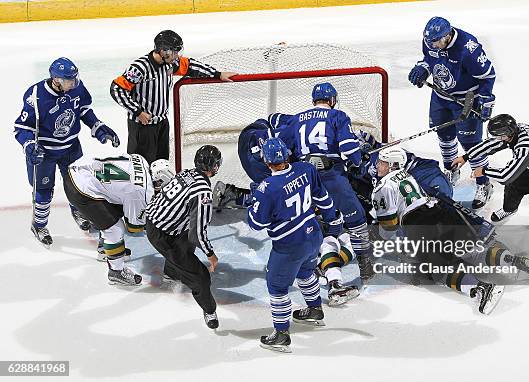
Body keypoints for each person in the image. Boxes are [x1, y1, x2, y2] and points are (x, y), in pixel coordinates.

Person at [372, 147, 529, 314]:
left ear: (393, 165)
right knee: (472, 251)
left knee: (438, 270)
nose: (377, 165)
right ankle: (513, 260)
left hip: (419, 224)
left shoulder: (382, 187)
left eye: (382, 162)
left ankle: (481, 289)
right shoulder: (409, 176)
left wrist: (384, 239)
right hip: (441, 211)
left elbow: (389, 227)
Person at [248, 137, 342, 353]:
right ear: (287, 155)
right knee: (306, 272)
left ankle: (281, 334)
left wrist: (254, 201)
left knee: (277, 286)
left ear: (266, 161)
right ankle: (315, 310)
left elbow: (256, 224)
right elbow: (323, 197)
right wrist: (332, 219)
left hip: (289, 245)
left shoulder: (267, 188)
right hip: (313, 235)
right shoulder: (306, 169)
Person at [14, 57, 120, 246]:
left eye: (74, 78)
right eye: (69, 80)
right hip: (44, 152)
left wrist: (99, 127)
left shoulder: (77, 87)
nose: (74, 82)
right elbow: (21, 127)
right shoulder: (36, 95)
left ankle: (78, 211)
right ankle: (39, 225)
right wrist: (29, 145)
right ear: (56, 80)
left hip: (71, 147)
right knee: (44, 191)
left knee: (78, 186)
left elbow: (84, 110)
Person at [281, 82, 375, 282]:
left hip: (303, 179)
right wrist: (358, 160)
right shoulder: (337, 116)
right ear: (332, 100)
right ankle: (365, 265)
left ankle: (307, 265)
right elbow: (349, 148)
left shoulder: (297, 119)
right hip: (331, 178)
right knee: (357, 220)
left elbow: (284, 151)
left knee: (307, 224)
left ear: (314, 100)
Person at [452, 114, 529, 256]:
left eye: (499, 136)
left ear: (507, 134)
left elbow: (506, 176)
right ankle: (509, 209)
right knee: (514, 187)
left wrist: (484, 171)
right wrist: (466, 156)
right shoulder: (515, 130)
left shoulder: (526, 148)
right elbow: (492, 144)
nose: (497, 139)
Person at [110, 30, 238, 165]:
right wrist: (138, 112)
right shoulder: (140, 67)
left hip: (162, 124)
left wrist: (217, 74)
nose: (177, 56)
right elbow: (117, 89)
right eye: (174, 52)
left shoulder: (171, 64)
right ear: (162, 50)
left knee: (161, 167)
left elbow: (190, 66)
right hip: (142, 127)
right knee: (141, 168)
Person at [408, 16, 496, 209]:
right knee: (444, 136)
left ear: (447, 36)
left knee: (471, 144)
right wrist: (423, 68)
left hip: (466, 100)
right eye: (430, 41)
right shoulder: (430, 42)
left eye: (437, 41)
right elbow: (429, 60)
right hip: (440, 97)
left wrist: (484, 99)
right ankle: (451, 170)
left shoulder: (468, 48)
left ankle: (483, 183)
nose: (433, 45)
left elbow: (488, 75)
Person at [63, 154, 173, 285]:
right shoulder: (143, 192)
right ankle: (116, 271)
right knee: (115, 228)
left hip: (78, 169)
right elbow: (134, 228)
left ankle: (107, 248)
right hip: (81, 190)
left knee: (115, 207)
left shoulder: (141, 159)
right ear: (159, 182)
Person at [145, 145, 222, 329]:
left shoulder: (186, 173)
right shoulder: (203, 192)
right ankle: (209, 310)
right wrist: (211, 255)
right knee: (201, 277)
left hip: (156, 220)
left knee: (186, 245)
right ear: (215, 167)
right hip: (163, 235)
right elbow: (198, 234)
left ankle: (171, 272)